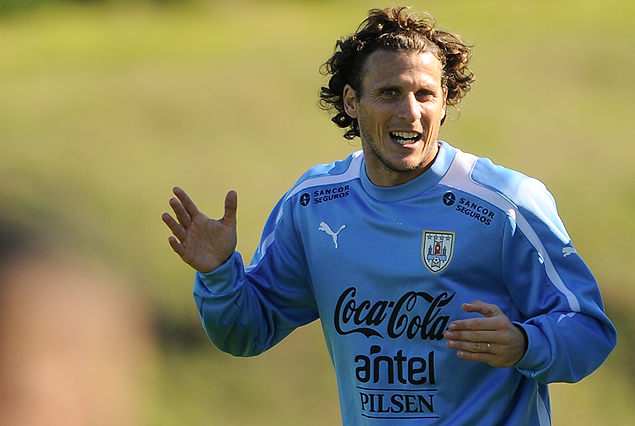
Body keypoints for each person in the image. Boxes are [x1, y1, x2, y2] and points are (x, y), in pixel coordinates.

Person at [162, 6, 617, 425]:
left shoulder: (506, 203)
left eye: (425, 94)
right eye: (389, 93)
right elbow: (245, 332)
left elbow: (588, 331)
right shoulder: (313, 204)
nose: (411, 112)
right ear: (351, 102)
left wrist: (524, 343)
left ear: (445, 103)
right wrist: (221, 275)